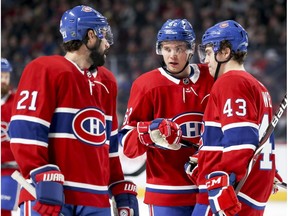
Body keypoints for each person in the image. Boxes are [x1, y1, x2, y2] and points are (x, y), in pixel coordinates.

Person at [8, 5, 138, 216]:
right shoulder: (45, 69)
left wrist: (117, 184)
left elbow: (109, 144)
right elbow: (25, 130)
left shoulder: (107, 81)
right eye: (104, 36)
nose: (108, 43)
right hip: (49, 195)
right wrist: (38, 171)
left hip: (96, 198)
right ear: (90, 36)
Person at [119, 19, 214, 216]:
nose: (172, 55)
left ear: (191, 49)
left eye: (179, 48)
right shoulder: (146, 85)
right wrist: (150, 133)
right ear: (159, 49)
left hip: (208, 188)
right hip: (167, 192)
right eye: (167, 48)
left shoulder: (211, 77)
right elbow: (127, 145)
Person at [189, 20, 281, 215]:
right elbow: (259, 140)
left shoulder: (230, 82)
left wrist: (223, 182)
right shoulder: (258, 86)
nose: (205, 61)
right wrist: (204, 158)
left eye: (207, 52)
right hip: (249, 195)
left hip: (228, 197)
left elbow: (241, 143)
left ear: (224, 52)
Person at [1, 58, 20, 216]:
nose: (4, 80)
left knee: (4, 209)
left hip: (10, 169)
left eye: (6, 76)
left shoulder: (17, 102)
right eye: (1, 75)